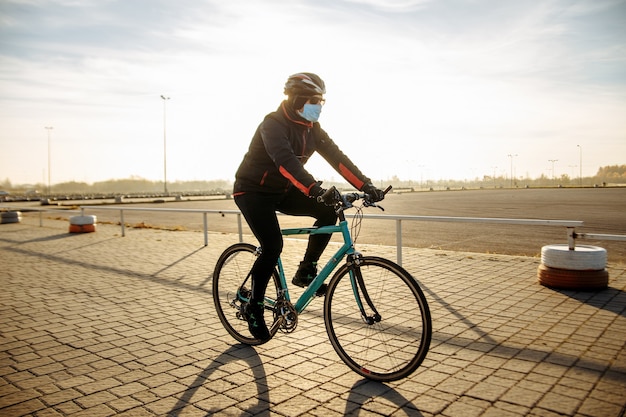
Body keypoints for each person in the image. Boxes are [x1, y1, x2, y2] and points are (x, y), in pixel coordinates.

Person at [233, 72, 385, 340]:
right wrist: (315, 189)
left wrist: (366, 186)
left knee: (328, 212)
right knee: (272, 246)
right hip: (253, 191)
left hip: (283, 190)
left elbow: (337, 158)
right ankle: (254, 308)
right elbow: (285, 162)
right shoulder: (273, 124)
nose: (319, 105)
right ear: (297, 99)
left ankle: (306, 271)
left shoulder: (312, 128)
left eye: (322, 101)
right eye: (315, 100)